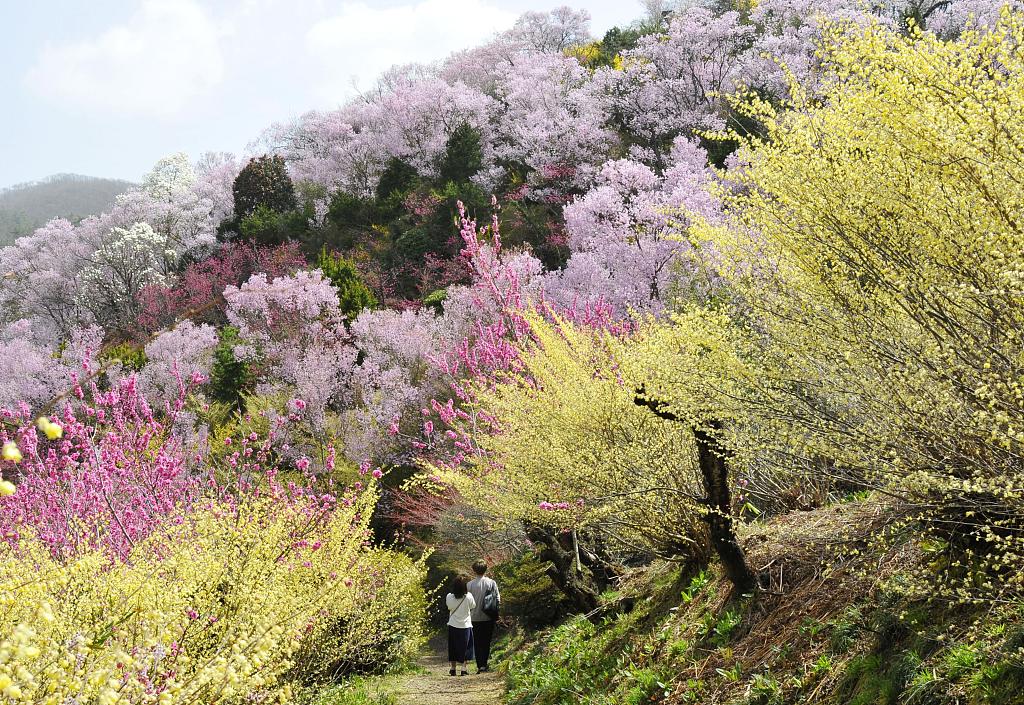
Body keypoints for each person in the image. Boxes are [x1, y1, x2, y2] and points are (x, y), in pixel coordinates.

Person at [468, 559, 501, 673]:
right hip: (488, 616)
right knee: (486, 641)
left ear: (474, 570)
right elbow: (497, 599)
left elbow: (466, 601)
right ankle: (484, 664)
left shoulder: (469, 585)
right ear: (485, 569)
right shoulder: (491, 583)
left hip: (473, 617)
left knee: (477, 642)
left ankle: (479, 665)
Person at [445, 574, 476, 676]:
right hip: (466, 625)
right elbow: (473, 606)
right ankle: (463, 668)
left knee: (453, 647)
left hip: (453, 625)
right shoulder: (469, 596)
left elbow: (449, 607)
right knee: (466, 647)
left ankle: (453, 668)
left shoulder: (449, 597)